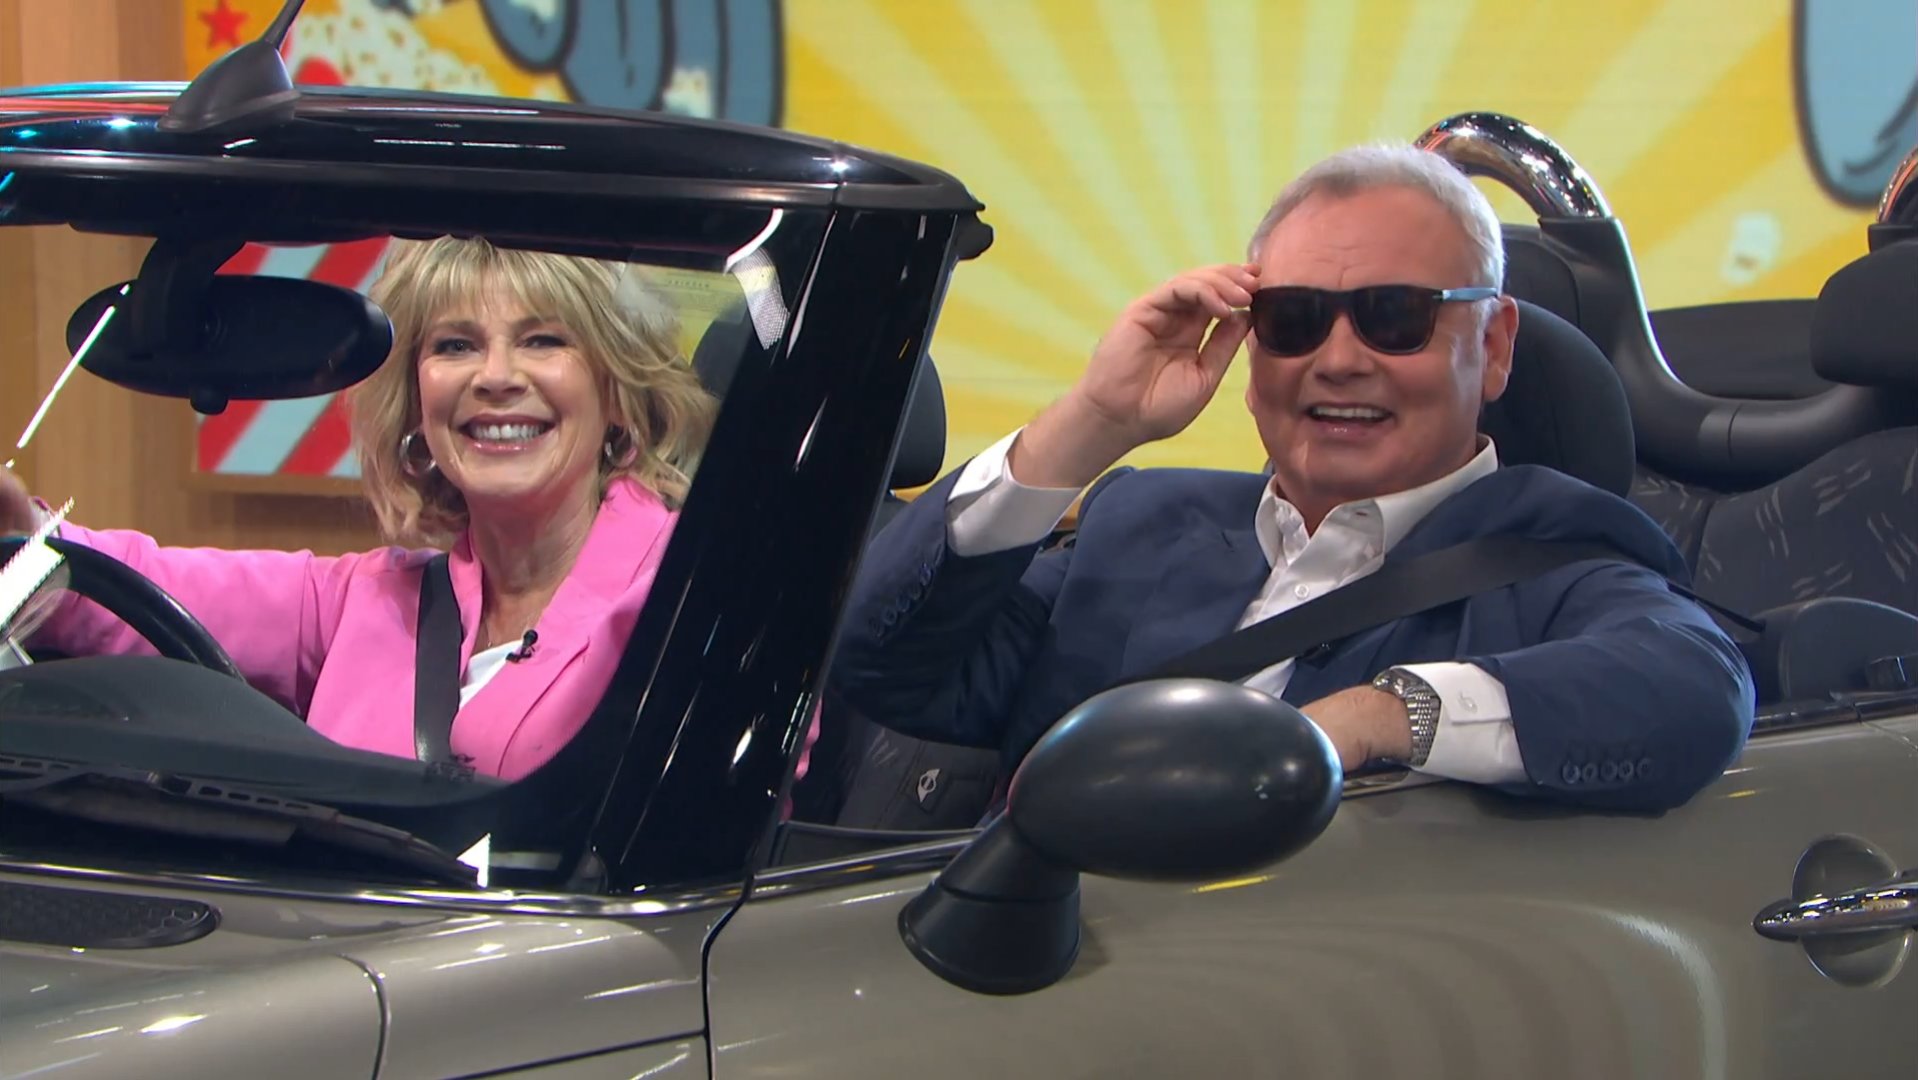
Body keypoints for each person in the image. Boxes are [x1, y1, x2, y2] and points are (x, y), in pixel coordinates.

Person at [827, 144, 1755, 813]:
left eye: (1395, 317)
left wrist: (1374, 718)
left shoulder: (1556, 557)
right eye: (1295, 319)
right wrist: (1094, 420)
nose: (1338, 360)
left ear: (1495, 345)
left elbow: (1697, 690)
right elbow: (881, 658)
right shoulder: (1140, 522)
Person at [0, 236, 718, 781]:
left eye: (543, 340)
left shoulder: (692, 590)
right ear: (417, 406)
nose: (495, 376)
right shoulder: (368, 601)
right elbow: (147, 587)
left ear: (616, 392)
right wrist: (22, 540)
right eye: (456, 345)